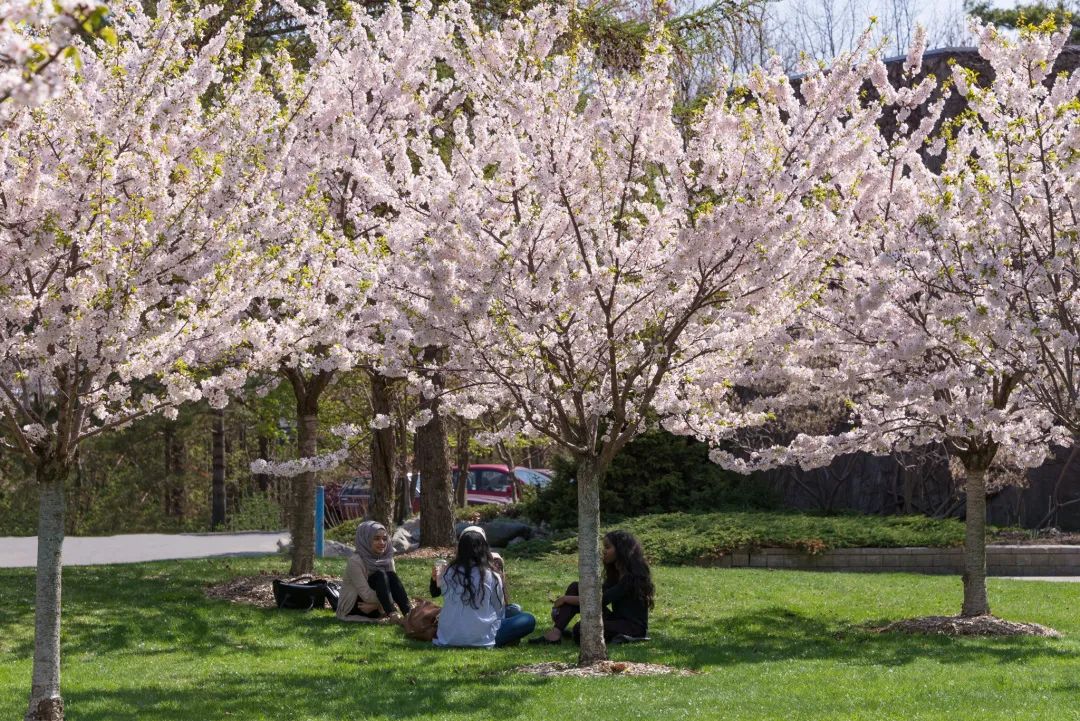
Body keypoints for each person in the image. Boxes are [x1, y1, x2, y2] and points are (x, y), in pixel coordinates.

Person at [529, 529, 654, 644]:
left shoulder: (631, 577)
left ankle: (563, 632)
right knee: (576, 587)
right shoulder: (616, 573)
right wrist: (566, 607)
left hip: (632, 628)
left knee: (581, 629)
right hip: (616, 619)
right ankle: (555, 633)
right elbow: (596, 594)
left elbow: (599, 600)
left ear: (621, 550)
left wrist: (564, 600)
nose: (603, 551)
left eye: (608, 547)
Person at [429, 525, 536, 648]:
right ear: (484, 548)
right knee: (527, 618)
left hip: (448, 637)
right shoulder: (491, 574)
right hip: (483, 637)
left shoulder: (448, 572)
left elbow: (435, 591)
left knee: (514, 609)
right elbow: (499, 610)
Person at [337, 520, 411, 623]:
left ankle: (408, 613)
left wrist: (377, 605)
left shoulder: (387, 558)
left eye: (385, 539)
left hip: (375, 605)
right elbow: (366, 595)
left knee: (391, 576)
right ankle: (393, 614)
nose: (382, 543)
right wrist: (382, 604)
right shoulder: (355, 562)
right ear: (365, 539)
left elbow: (394, 590)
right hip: (357, 606)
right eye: (376, 539)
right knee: (380, 574)